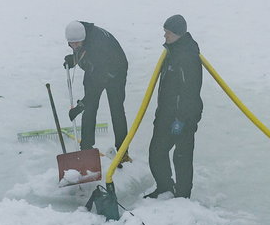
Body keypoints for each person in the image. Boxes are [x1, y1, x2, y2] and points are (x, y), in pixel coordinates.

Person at [145, 14, 203, 199]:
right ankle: (165, 188)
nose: (165, 36)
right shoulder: (173, 51)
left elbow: (189, 92)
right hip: (166, 114)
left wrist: (181, 119)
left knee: (182, 156)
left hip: (183, 116)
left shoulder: (187, 56)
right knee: (156, 151)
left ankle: (183, 196)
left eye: (168, 33)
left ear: (178, 34)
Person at [63, 21, 130, 155]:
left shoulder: (99, 45)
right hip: (96, 68)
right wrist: (74, 59)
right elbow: (83, 51)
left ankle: (123, 151)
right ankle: (86, 148)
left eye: (77, 43)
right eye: (72, 44)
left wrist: (80, 106)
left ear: (84, 38)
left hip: (115, 71)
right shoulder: (79, 33)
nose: (74, 46)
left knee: (116, 109)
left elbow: (94, 90)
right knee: (90, 109)